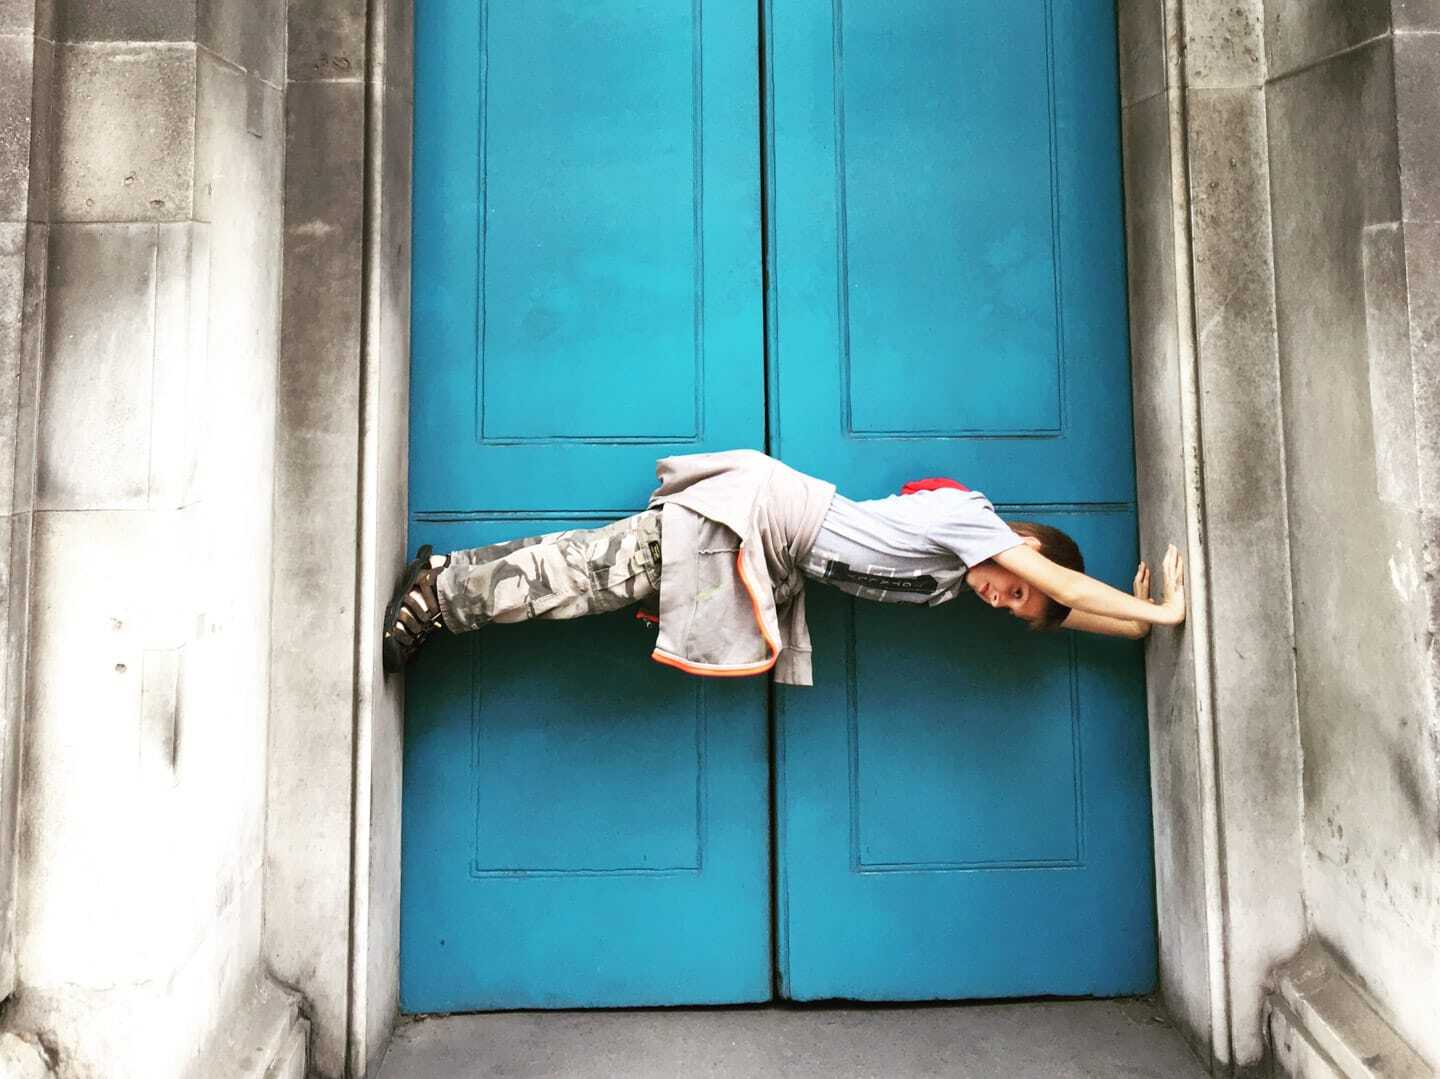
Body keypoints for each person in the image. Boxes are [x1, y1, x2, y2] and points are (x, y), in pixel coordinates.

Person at [382, 449, 1185, 680]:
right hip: (750, 516)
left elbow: (1062, 608)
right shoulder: (969, 520)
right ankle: (440, 595)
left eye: (1010, 606)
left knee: (594, 573)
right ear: (1028, 547)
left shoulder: (951, 578)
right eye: (1016, 586)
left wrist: (1131, 624)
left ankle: (446, 577)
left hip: (759, 548)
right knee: (595, 573)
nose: (1001, 598)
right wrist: (1164, 613)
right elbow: (1056, 586)